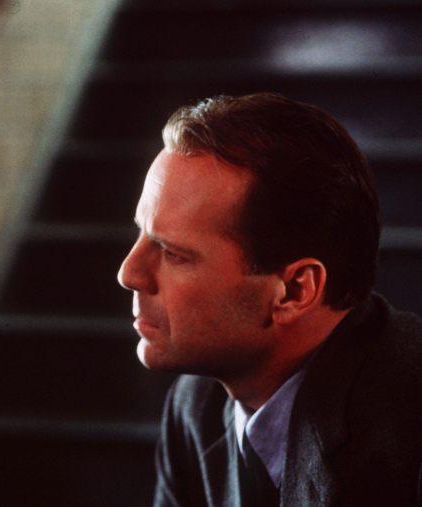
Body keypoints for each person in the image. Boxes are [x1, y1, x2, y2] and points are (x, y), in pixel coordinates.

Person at [117, 92, 422, 506]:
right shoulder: (196, 406)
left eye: (173, 253)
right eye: (142, 233)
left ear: (295, 291)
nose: (129, 273)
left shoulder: (409, 429)